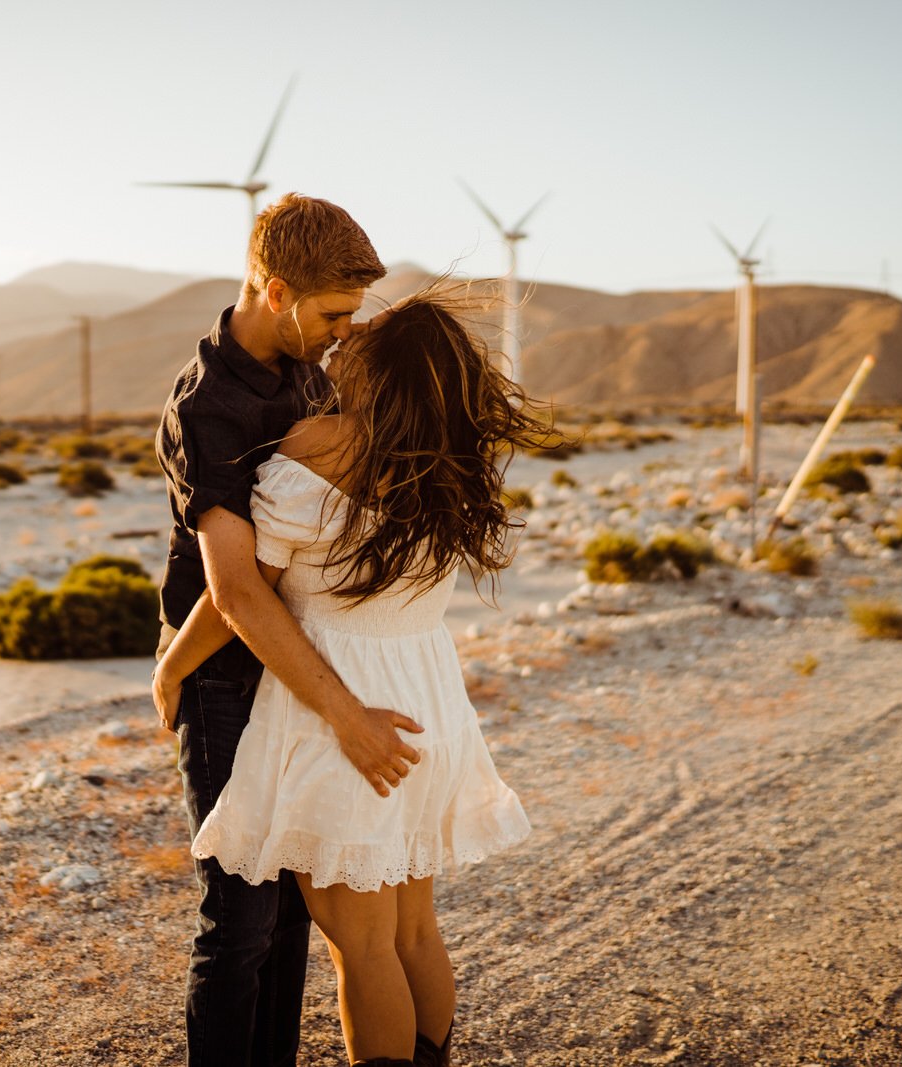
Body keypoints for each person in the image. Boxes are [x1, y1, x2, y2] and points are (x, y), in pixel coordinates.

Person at [154, 287, 553, 1066]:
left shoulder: (318, 448)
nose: (343, 346)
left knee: (362, 948)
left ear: (386, 369)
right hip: (427, 702)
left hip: (346, 710)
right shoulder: (454, 464)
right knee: (413, 930)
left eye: (359, 339)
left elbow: (240, 590)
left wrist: (173, 664)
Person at [154, 192, 425, 1067]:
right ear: (275, 291)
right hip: (230, 677)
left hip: (306, 665)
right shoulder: (209, 408)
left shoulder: (314, 370)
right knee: (238, 921)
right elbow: (237, 591)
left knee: (297, 914)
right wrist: (176, 671)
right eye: (335, 313)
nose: (347, 332)